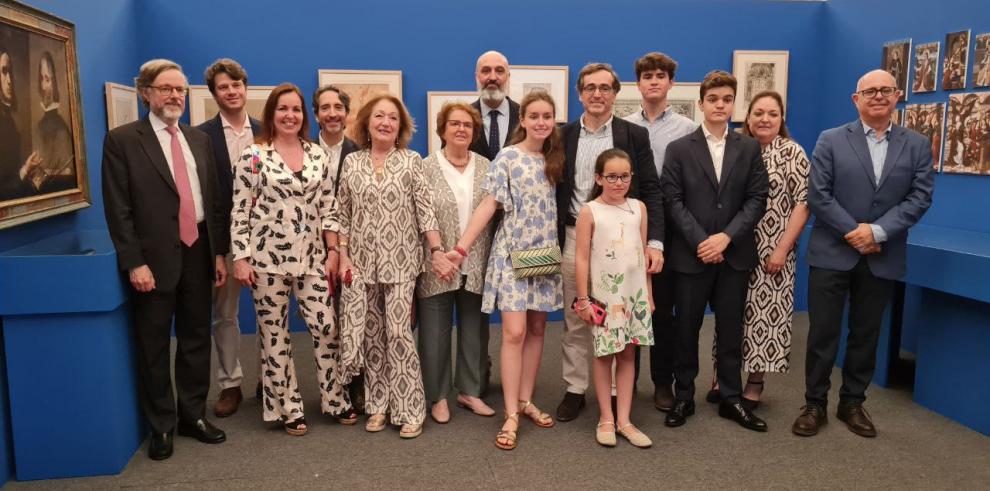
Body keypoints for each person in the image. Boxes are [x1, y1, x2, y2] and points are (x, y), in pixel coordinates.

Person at [793, 70, 934, 438]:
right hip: (832, 254)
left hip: (882, 254)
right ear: (855, 99)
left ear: (896, 96)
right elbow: (818, 193)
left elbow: (920, 198)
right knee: (823, 333)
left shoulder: (917, 144)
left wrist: (877, 231)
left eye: (885, 90)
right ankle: (815, 403)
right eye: (869, 91)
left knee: (866, 334)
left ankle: (852, 402)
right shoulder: (831, 139)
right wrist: (854, 232)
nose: (877, 96)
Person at [102, 59, 228, 460]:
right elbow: (117, 208)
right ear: (146, 93)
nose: (175, 95)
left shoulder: (198, 140)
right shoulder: (123, 140)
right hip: (152, 261)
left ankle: (193, 416)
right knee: (154, 344)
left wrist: (219, 253)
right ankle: (162, 426)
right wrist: (133, 261)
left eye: (181, 89)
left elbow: (212, 201)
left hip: (199, 252)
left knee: (195, 340)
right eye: (166, 88)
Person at [229, 83, 356, 436]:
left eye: (296, 110)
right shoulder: (252, 155)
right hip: (266, 260)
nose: (290, 115)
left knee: (326, 327)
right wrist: (241, 257)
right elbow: (239, 211)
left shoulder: (317, 155)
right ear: (271, 113)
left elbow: (329, 208)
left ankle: (334, 398)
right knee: (275, 336)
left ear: (304, 116)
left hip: (313, 258)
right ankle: (287, 407)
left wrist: (333, 252)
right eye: (283, 109)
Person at [448, 90, 565, 450]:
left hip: (544, 254)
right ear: (523, 120)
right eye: (535, 116)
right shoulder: (508, 157)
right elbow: (489, 205)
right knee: (513, 333)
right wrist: (462, 247)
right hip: (513, 252)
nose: (541, 122)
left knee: (536, 328)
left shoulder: (555, 158)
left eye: (547, 116)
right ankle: (511, 413)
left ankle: (527, 399)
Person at [335, 93, 450, 440]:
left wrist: (437, 250)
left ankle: (410, 408)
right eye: (379, 116)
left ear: (400, 126)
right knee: (372, 336)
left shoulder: (411, 160)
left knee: (399, 334)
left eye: (393, 118)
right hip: (361, 264)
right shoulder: (352, 163)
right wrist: (342, 255)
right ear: (367, 123)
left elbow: (425, 211)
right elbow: (342, 213)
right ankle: (379, 404)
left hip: (401, 262)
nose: (386, 122)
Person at [660, 70, 769, 432]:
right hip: (691, 256)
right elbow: (672, 201)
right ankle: (684, 396)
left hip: (734, 256)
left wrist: (726, 238)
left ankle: (731, 397)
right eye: (713, 99)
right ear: (701, 104)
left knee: (730, 331)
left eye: (726, 99)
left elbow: (757, 198)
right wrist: (702, 241)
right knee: (685, 330)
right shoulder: (679, 149)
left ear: (733, 104)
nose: (720, 105)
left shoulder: (749, 147)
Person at [556, 62, 665, 422]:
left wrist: (655, 243)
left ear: (616, 93)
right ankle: (575, 388)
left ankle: (618, 391)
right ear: (579, 93)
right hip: (577, 234)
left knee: (619, 315)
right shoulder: (564, 135)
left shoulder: (633, 135)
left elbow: (650, 188)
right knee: (578, 314)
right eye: (590, 87)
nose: (597, 94)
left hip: (623, 240)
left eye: (605, 88)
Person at [705, 91, 809, 408]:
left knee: (765, 319)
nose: (765, 119)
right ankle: (722, 377)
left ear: (781, 119)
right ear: (747, 117)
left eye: (773, 114)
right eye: (759, 113)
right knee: (730, 316)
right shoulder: (735, 148)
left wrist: (781, 249)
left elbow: (803, 205)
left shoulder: (792, 152)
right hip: (734, 246)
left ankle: (754, 383)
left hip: (772, 252)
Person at [623, 52, 697, 412]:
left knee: (661, 310)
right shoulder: (622, 126)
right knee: (626, 306)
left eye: (660, 76)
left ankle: (662, 383)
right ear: (638, 83)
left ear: (671, 83)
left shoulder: (687, 129)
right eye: (647, 76)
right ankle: (626, 383)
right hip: (626, 226)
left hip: (669, 228)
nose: (654, 81)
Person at [417, 102, 496, 423]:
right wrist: (437, 253)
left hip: (475, 262)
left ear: (474, 132)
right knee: (434, 333)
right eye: (454, 124)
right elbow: (418, 215)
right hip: (435, 262)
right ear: (442, 130)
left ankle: (469, 391)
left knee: (475, 330)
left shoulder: (488, 167)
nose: (461, 129)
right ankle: (437, 396)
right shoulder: (424, 167)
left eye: (467, 125)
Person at [574, 148, 654, 448]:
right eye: (612, 177)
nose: (619, 182)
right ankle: (606, 418)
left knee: (628, 354)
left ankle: (625, 420)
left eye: (625, 176)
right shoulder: (589, 211)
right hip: (604, 296)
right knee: (604, 353)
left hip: (634, 295)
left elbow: (643, 252)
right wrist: (583, 299)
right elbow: (581, 258)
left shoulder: (639, 208)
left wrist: (648, 294)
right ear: (598, 177)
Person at [194, 58, 260, 417]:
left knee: (272, 314)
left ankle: (271, 381)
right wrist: (220, 253)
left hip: (267, 241)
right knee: (225, 315)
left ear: (245, 88)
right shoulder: (200, 136)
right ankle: (230, 385)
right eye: (223, 87)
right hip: (224, 241)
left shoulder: (268, 131)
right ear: (214, 93)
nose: (232, 92)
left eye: (236, 85)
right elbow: (207, 197)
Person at [312, 83, 364, 412]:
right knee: (323, 322)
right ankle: (329, 387)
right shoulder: (300, 151)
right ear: (316, 114)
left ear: (346, 113)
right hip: (307, 248)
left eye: (337, 107)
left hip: (351, 248)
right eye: (325, 107)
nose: (332, 113)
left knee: (353, 319)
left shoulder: (360, 153)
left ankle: (353, 386)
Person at [25, 51, 75, 194]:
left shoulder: (62, 130)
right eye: (41, 79)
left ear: (54, 83)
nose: (43, 86)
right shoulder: (38, 126)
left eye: (47, 79)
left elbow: (68, 173)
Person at [470, 51, 519, 162]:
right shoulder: (463, 118)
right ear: (477, 76)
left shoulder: (524, 116)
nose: (492, 77)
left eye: (499, 71)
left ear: (508, 76)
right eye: (486, 71)